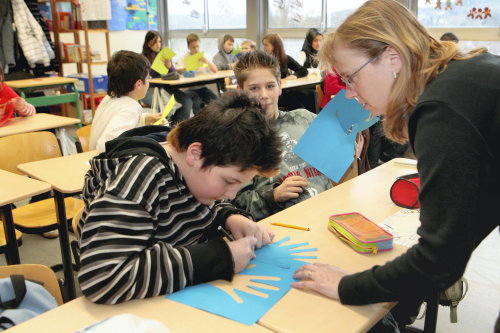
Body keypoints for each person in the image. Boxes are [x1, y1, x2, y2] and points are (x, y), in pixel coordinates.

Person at [291, 0, 500, 329]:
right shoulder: (463, 79)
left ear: (392, 58)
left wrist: (346, 286)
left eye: (350, 79)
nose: (348, 94)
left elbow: (439, 260)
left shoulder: (443, 109)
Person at [77, 91, 283, 304]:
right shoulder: (139, 178)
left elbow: (189, 208)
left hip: (173, 298)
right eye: (230, 182)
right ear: (195, 154)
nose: (232, 194)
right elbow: (101, 277)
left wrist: (227, 217)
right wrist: (220, 258)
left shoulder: (193, 173)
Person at [232, 50, 332, 221]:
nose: (264, 95)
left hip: (328, 210)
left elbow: (335, 159)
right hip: (286, 223)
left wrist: (350, 145)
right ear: (240, 91)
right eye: (254, 88)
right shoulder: (237, 141)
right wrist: (274, 195)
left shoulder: (305, 119)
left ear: (279, 86)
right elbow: (235, 206)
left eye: (270, 86)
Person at [89, 50, 161, 152]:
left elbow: (117, 119)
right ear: (139, 84)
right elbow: (105, 146)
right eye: (148, 78)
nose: (149, 82)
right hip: (106, 164)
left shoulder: (110, 97)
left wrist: (144, 119)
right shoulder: (131, 107)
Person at [141, 30, 199, 123]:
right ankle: (166, 128)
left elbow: (174, 74)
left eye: (159, 41)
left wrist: (170, 66)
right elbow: (146, 77)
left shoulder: (164, 55)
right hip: (149, 89)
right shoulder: (143, 58)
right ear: (148, 43)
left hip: (165, 87)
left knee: (186, 101)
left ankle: (177, 127)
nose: (158, 44)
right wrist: (157, 66)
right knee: (164, 106)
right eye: (155, 42)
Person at [262, 33, 314, 112]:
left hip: (284, 90)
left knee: (308, 94)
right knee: (293, 98)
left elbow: (303, 70)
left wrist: (295, 75)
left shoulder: (285, 58)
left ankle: (306, 117)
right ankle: (303, 117)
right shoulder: (262, 60)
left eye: (266, 45)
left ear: (275, 46)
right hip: (271, 92)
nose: (263, 48)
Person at [175, 33, 218, 111]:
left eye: (198, 46)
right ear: (188, 47)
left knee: (216, 101)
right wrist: (187, 67)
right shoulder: (183, 58)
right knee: (197, 102)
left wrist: (207, 61)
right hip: (188, 88)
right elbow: (176, 70)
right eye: (193, 47)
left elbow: (215, 70)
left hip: (202, 87)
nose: (196, 49)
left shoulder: (203, 57)